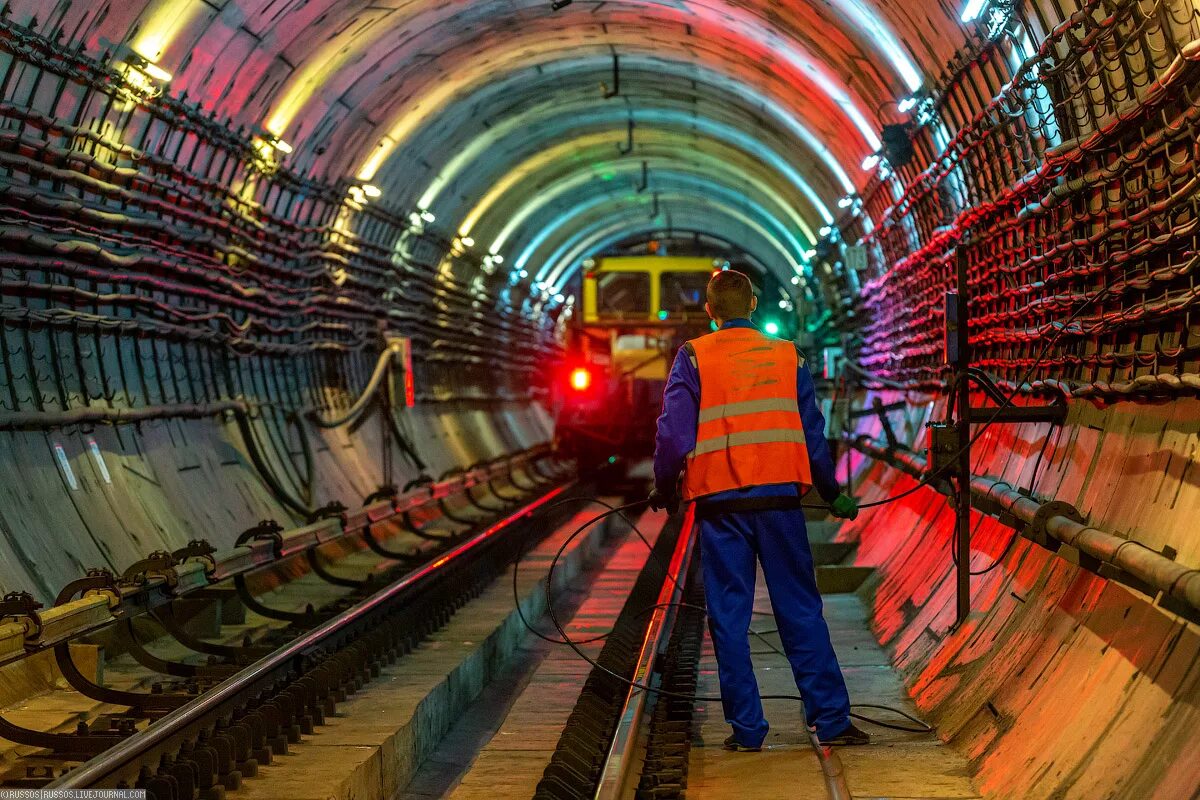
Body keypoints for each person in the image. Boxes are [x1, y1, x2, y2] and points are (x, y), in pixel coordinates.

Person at [649, 269, 868, 751]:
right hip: (781, 506)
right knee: (800, 609)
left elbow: (673, 435)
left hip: (721, 507)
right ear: (752, 306)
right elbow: (813, 433)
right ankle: (831, 721)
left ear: (710, 311)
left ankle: (747, 731)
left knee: (729, 617)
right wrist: (832, 493)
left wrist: (665, 487)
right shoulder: (787, 355)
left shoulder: (693, 357)